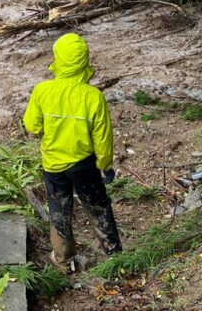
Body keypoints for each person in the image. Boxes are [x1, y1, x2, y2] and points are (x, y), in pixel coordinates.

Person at [23, 33, 123, 269]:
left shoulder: (42, 91)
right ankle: (115, 255)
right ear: (84, 61)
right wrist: (105, 165)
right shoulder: (94, 97)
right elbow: (103, 138)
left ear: (58, 59)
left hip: (53, 165)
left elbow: (33, 126)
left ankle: (63, 258)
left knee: (59, 209)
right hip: (84, 166)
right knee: (98, 206)